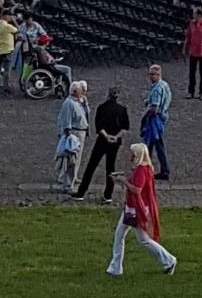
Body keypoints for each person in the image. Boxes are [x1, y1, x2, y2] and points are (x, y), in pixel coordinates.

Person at [106, 143, 177, 276]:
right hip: (135, 207)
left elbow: (137, 189)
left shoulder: (141, 170)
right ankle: (115, 267)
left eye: (132, 154)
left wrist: (124, 181)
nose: (130, 156)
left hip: (136, 209)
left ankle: (169, 259)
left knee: (141, 239)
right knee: (121, 235)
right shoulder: (146, 169)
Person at [74, 85, 131, 201]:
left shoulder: (101, 108)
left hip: (102, 141)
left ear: (108, 95)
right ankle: (108, 195)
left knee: (91, 166)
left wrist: (106, 136)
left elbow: (98, 126)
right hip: (115, 142)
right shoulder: (122, 109)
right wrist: (115, 137)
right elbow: (125, 127)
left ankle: (81, 192)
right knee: (110, 167)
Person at [55, 81, 90, 193]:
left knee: (77, 159)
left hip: (80, 132)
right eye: (81, 91)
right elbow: (66, 120)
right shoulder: (69, 103)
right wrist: (68, 135)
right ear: (75, 91)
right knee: (71, 160)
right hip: (74, 133)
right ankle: (68, 184)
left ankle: (71, 179)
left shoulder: (79, 101)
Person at [142, 64, 173, 180]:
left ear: (158, 74)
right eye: (149, 74)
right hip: (162, 117)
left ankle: (146, 169)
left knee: (149, 144)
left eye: (152, 74)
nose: (150, 77)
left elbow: (155, 107)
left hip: (155, 119)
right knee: (158, 144)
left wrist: (147, 115)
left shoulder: (156, 89)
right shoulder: (165, 85)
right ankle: (161, 169)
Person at [0, 11, 18, 94]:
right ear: (6, 16)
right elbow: (16, 30)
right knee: (7, 70)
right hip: (7, 50)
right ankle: (6, 86)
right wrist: (14, 21)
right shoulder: (7, 26)